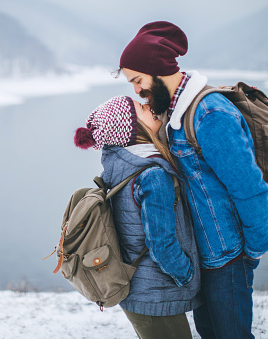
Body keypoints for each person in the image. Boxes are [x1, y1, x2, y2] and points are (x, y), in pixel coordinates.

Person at [117, 21, 268, 338]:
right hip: (202, 254)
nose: (136, 90)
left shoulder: (209, 113)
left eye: (137, 80)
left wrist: (253, 249)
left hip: (228, 256)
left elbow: (248, 188)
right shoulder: (171, 112)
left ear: (156, 69)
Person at [74, 95, 202, 339]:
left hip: (137, 290)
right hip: (156, 294)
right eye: (143, 108)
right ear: (131, 128)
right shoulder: (153, 175)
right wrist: (188, 275)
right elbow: (161, 244)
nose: (151, 109)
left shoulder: (120, 166)